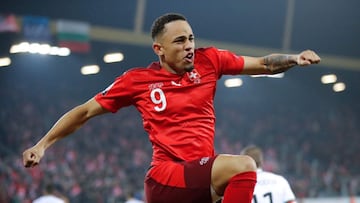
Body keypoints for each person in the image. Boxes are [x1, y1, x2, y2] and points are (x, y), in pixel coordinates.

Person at [22, 13, 320, 203]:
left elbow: (264, 64)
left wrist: (294, 58)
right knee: (243, 166)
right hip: (167, 178)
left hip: (198, 182)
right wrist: (42, 144)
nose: (189, 45)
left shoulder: (210, 60)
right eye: (179, 41)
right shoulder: (138, 81)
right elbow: (84, 112)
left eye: (191, 38)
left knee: (234, 180)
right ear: (159, 49)